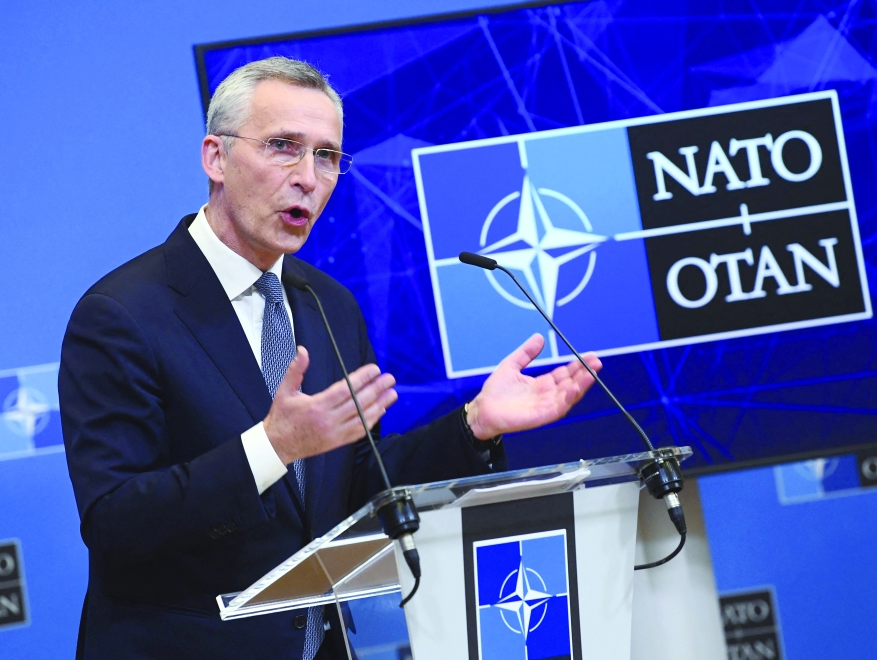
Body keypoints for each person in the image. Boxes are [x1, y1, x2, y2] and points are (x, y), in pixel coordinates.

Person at [59, 56, 602, 660]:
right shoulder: (122, 313)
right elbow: (115, 523)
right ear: (215, 157)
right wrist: (273, 448)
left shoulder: (327, 304)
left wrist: (475, 425)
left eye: (326, 156)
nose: (308, 177)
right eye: (283, 147)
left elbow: (356, 486)